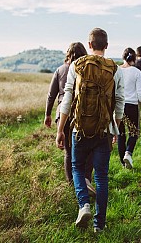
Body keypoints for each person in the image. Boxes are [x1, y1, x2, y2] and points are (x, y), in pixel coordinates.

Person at [56, 28, 125, 233]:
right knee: (101, 177)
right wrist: (115, 129)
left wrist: (61, 130)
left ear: (89, 45)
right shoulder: (115, 69)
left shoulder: (76, 66)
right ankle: (99, 225)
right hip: (104, 130)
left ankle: (84, 204)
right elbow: (119, 103)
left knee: (77, 168)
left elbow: (67, 99)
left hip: (79, 129)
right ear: (106, 45)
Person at [44, 42, 95, 196]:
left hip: (63, 114)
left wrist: (47, 114)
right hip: (83, 113)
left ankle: (72, 184)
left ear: (68, 54)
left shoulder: (60, 70)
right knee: (87, 150)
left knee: (68, 151)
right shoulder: (87, 70)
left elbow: (51, 95)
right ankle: (86, 180)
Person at [118, 48, 141, 169]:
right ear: (134, 58)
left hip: (119, 105)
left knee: (121, 134)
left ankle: (123, 163)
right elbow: (140, 93)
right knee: (134, 132)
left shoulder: (117, 70)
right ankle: (128, 153)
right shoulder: (136, 72)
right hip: (132, 105)